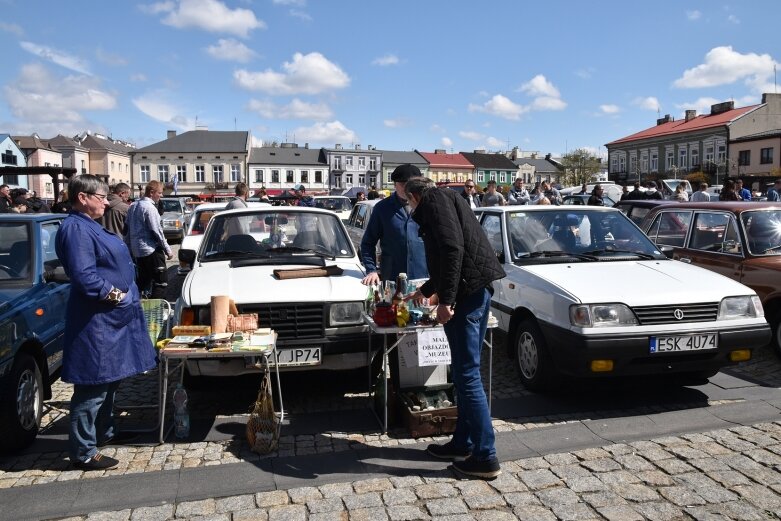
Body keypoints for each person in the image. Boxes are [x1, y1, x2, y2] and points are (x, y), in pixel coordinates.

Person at [403, 176, 505, 480]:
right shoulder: (446, 199)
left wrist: (445, 300)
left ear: (413, 195)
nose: (407, 205)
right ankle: (464, 442)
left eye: (406, 199)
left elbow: (452, 250)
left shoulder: (434, 201)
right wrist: (428, 288)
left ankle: (485, 456)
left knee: (467, 374)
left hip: (467, 296)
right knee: (463, 373)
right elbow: (454, 253)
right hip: (474, 290)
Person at [54, 174, 157, 471]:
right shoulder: (76, 229)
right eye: (100, 196)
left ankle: (105, 432)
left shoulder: (90, 226)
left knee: (111, 380)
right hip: (96, 321)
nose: (105, 201)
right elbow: (85, 277)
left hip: (112, 320)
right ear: (82, 198)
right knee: (93, 384)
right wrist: (117, 296)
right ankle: (83, 451)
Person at [360, 164, 429, 286]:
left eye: (410, 185)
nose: (407, 189)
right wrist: (371, 270)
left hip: (423, 278)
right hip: (393, 278)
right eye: (403, 185)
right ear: (394, 185)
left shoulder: (427, 207)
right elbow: (367, 243)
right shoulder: (382, 209)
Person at [125, 180, 173, 298]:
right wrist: (168, 250)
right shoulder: (149, 208)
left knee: (142, 282)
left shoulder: (133, 206)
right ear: (151, 192)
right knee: (161, 282)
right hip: (150, 249)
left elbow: (127, 229)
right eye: (160, 193)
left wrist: (129, 248)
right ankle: (154, 312)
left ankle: (138, 308)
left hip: (138, 251)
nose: (161, 196)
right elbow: (157, 231)